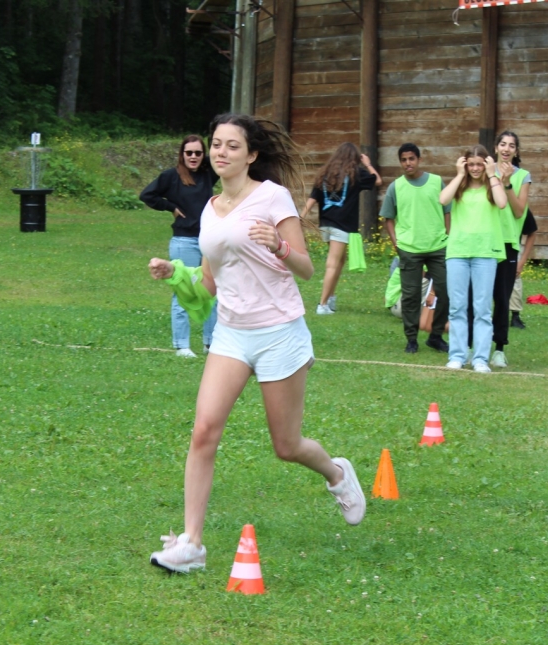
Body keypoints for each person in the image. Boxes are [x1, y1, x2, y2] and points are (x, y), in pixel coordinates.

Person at [145, 114, 366, 574]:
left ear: (252, 155)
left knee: (286, 445)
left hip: (278, 332)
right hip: (231, 333)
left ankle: (337, 474)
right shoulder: (208, 209)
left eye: (231, 145)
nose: (220, 152)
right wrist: (175, 274)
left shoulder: (273, 198)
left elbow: (305, 268)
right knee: (204, 431)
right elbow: (208, 285)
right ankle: (191, 543)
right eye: (215, 145)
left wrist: (280, 248)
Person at [139, 135, 219, 358]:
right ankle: (182, 345)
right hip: (184, 242)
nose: (193, 157)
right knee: (183, 291)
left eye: (198, 153)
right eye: (189, 153)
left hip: (208, 240)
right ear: (182, 155)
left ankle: (211, 343)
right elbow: (147, 195)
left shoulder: (207, 175)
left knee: (212, 292)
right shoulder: (171, 176)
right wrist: (170, 207)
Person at [440, 145, 508, 373]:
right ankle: (458, 355)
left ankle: (480, 359)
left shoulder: (492, 183)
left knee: (482, 309)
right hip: (458, 252)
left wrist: (492, 174)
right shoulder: (459, 186)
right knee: (457, 307)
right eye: (471, 164)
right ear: (465, 164)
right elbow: (442, 199)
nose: (475, 168)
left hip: (485, 254)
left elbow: (502, 202)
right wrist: (459, 174)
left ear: (486, 164)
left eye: (480, 164)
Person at [379, 143, 451, 354]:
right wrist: (396, 244)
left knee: (445, 292)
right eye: (403, 160)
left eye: (411, 159)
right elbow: (388, 219)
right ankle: (411, 339)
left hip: (438, 247)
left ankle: (435, 337)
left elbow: (448, 211)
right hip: (409, 249)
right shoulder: (396, 187)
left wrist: (447, 235)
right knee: (410, 296)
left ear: (419, 159)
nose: (407, 163)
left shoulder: (437, 182)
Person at [300, 142, 382, 314]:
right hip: (341, 226)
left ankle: (330, 298)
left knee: (340, 260)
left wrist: (301, 216)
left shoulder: (325, 174)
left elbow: (313, 198)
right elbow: (378, 180)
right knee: (332, 263)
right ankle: (322, 305)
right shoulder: (356, 174)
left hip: (326, 226)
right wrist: (367, 164)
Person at [488, 131, 532, 368]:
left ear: (516, 151)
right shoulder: (485, 171)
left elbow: (518, 211)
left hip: (507, 243)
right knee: (479, 296)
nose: (506, 149)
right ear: (495, 147)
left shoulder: (523, 176)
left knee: (502, 298)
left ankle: (499, 349)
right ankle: (472, 345)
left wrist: (506, 184)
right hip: (484, 241)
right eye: (502, 144)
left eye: (511, 145)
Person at [509, 209, 538, 329]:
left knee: (514, 279)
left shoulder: (521, 208)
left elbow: (532, 233)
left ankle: (515, 316)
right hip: (487, 249)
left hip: (511, 249)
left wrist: (521, 262)